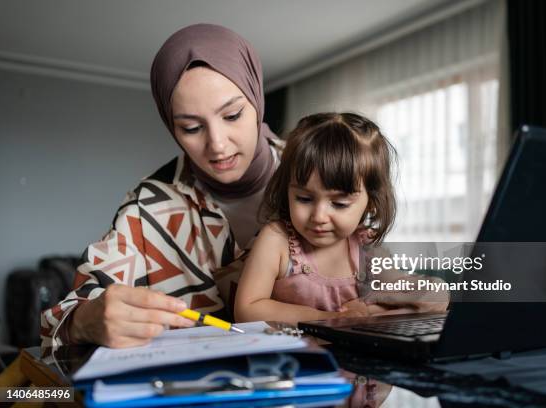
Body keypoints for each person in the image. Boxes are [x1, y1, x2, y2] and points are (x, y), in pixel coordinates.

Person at [40, 23, 285, 348]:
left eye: (232, 116)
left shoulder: (323, 171)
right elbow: (60, 321)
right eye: (191, 127)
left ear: (256, 99)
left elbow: (374, 275)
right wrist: (86, 322)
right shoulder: (147, 208)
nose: (218, 145)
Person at [235, 112, 424, 324]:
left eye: (339, 204)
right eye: (304, 199)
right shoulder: (277, 240)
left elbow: (413, 295)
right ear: (286, 190)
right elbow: (247, 309)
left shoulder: (366, 248)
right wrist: (326, 318)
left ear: (370, 203)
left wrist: (367, 308)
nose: (319, 216)